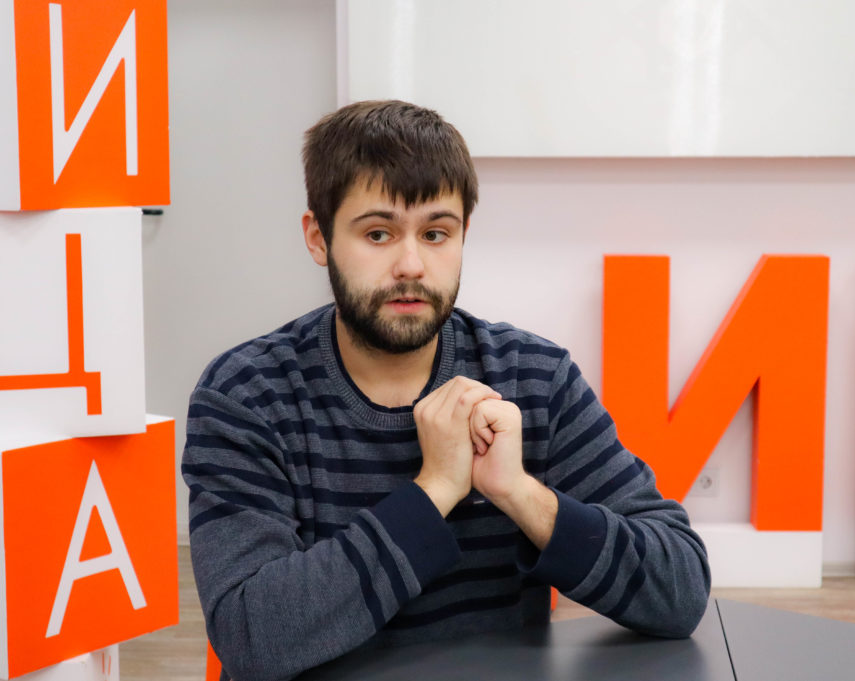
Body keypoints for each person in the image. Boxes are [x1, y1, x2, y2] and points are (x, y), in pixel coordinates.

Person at [182, 100, 710, 681]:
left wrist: (518, 493)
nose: (411, 265)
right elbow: (251, 638)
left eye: (436, 233)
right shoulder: (247, 394)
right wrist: (433, 490)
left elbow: (681, 590)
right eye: (378, 233)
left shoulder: (534, 378)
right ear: (318, 237)